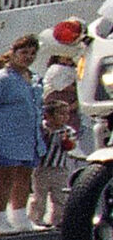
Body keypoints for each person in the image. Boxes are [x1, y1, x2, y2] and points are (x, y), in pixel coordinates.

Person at [0, 33, 45, 233]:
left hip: (29, 138)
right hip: (5, 138)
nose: (28, 57)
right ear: (13, 53)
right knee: (5, 179)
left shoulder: (35, 78)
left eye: (32, 53)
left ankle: (21, 219)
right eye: (23, 52)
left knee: (24, 178)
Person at [32, 95, 79, 229]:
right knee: (39, 197)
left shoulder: (68, 131)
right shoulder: (42, 128)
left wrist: (66, 141)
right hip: (41, 168)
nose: (65, 117)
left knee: (60, 197)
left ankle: (58, 220)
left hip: (60, 169)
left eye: (67, 114)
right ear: (49, 116)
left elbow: (71, 147)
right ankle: (36, 219)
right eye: (61, 114)